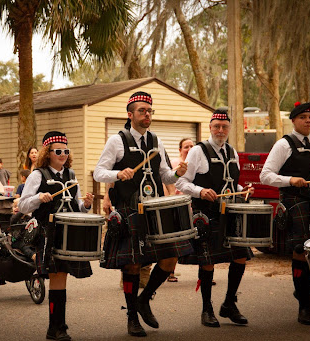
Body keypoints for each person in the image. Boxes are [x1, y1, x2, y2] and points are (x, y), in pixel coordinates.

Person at [93, 91, 190, 337]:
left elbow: (165, 176)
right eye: (141, 111)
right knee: (133, 264)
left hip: (155, 210)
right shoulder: (117, 141)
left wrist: (178, 173)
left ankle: (144, 299)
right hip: (130, 209)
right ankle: (132, 317)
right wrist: (117, 174)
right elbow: (98, 172)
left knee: (170, 259)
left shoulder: (157, 141)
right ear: (130, 114)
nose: (147, 114)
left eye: (149, 111)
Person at [176, 109, 253, 328]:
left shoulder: (232, 151)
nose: (220, 130)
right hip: (206, 215)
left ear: (229, 128)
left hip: (230, 213)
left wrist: (242, 190)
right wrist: (200, 191)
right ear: (210, 127)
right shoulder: (198, 151)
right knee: (208, 262)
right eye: (217, 126)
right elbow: (182, 183)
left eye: (224, 126)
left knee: (240, 257)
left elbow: (229, 185)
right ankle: (206, 309)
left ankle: (229, 303)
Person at [18, 131, 94, 341]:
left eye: (65, 151)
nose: (62, 154)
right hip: (48, 232)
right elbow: (23, 205)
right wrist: (38, 198)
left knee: (62, 277)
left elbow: (76, 205)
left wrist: (85, 204)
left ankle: (57, 325)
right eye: (58, 151)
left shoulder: (70, 174)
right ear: (48, 152)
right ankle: (56, 327)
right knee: (57, 278)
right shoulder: (38, 174)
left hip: (69, 232)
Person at [260, 101, 310, 325]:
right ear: (294, 121)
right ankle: (304, 306)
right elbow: (265, 175)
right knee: (300, 251)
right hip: (295, 202)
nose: (308, 121)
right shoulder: (284, 144)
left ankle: (305, 294)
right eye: (303, 117)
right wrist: (290, 180)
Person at [166, 137, 195, 282]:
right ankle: (170, 271)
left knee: (198, 240)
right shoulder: (173, 164)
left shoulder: (197, 164)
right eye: (186, 147)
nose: (189, 149)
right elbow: (166, 182)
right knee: (175, 240)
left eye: (191, 146)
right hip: (176, 206)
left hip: (193, 206)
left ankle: (204, 274)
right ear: (180, 150)